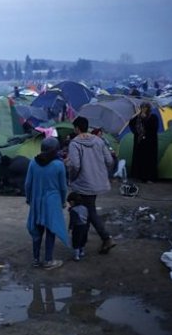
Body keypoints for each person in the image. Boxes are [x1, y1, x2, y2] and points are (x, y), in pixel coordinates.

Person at [66, 116, 116, 254]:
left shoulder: (75, 143)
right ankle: (83, 242)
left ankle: (106, 238)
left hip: (82, 183)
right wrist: (101, 173)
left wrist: (72, 177)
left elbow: (75, 165)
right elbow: (109, 160)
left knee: (89, 211)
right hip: (96, 183)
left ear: (76, 128)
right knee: (87, 210)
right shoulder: (98, 141)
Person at [25, 137, 66, 270]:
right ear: (55, 150)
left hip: (37, 201)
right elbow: (63, 187)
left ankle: (36, 259)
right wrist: (63, 201)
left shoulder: (33, 163)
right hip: (52, 202)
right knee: (51, 230)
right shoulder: (59, 165)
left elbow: (28, 184)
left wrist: (29, 198)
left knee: (37, 231)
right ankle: (48, 260)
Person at [129, 102, 159, 183]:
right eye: (142, 107)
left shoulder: (153, 117)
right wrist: (136, 132)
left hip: (150, 142)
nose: (143, 109)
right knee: (140, 159)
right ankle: (139, 176)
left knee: (149, 160)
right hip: (140, 142)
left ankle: (149, 177)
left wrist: (145, 120)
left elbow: (153, 128)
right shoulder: (137, 117)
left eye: (145, 108)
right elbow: (131, 124)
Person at [67, 192, 89, 262]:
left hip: (77, 227)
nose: (69, 204)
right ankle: (82, 252)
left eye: (70, 202)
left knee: (76, 241)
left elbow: (72, 221)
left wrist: (70, 229)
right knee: (83, 239)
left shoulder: (74, 210)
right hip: (85, 226)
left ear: (72, 202)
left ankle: (76, 256)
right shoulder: (84, 208)